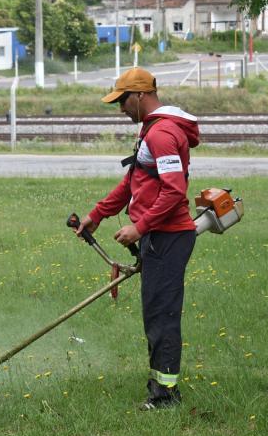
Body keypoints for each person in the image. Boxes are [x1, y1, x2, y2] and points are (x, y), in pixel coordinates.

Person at [75, 67, 200, 410]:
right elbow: (133, 182)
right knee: (155, 313)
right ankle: (161, 387)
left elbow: (174, 191)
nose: (121, 110)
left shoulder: (161, 135)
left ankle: (165, 397)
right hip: (159, 236)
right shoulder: (150, 132)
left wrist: (140, 226)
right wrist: (97, 215)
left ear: (141, 95)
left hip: (168, 237)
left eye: (124, 102)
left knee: (162, 316)